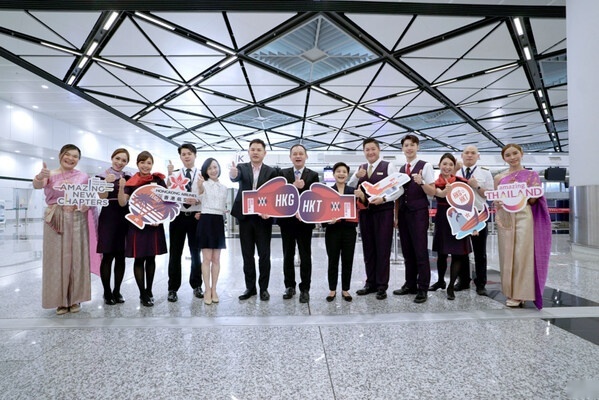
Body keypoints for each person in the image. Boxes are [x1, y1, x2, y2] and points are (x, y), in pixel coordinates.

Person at [33, 144, 92, 314]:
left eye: (75, 156)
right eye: (68, 155)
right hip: (55, 218)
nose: (71, 159)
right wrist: (39, 176)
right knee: (56, 259)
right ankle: (59, 300)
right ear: (60, 155)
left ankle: (75, 299)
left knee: (77, 258)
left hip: (77, 217)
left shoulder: (83, 176)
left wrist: (85, 204)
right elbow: (37, 185)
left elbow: (88, 196)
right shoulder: (49, 174)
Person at [494, 143, 551, 309]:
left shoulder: (531, 175)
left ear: (521, 153)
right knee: (506, 254)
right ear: (504, 158)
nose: (512, 158)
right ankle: (510, 292)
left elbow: (534, 200)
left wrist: (522, 194)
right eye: (508, 155)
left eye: (515, 153)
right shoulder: (499, 177)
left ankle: (521, 293)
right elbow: (497, 199)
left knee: (522, 254)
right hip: (505, 216)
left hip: (524, 215)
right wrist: (499, 202)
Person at [348, 138, 403, 300]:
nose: (370, 152)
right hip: (366, 213)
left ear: (378, 150)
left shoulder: (388, 166)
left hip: (383, 212)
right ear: (364, 151)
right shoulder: (361, 168)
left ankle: (381, 285)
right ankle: (370, 282)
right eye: (367, 149)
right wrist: (355, 177)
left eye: (373, 149)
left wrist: (385, 199)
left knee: (383, 249)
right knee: (369, 249)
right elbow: (351, 189)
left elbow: (398, 190)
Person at [230, 139, 279, 301]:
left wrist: (270, 211)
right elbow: (235, 178)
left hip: (263, 218)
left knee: (264, 254)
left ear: (265, 153)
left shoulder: (271, 171)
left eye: (259, 150)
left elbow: (274, 194)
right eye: (252, 149)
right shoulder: (241, 168)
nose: (255, 152)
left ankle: (264, 288)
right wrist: (233, 174)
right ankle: (250, 288)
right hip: (245, 218)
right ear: (249, 152)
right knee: (247, 254)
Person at [118, 151, 168, 307]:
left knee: (151, 258)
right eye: (142, 162)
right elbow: (122, 203)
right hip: (138, 225)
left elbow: (166, 201)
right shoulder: (131, 181)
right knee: (139, 258)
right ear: (137, 164)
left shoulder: (158, 180)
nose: (145, 166)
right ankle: (142, 293)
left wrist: (158, 217)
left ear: (152, 164)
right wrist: (121, 188)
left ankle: (149, 290)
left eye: (149, 163)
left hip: (154, 224)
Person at [393, 134, 436, 303]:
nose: (409, 148)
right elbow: (397, 195)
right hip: (403, 213)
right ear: (402, 149)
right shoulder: (401, 169)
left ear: (417, 147)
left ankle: (422, 287)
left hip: (418, 212)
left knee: (420, 250)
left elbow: (432, 192)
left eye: (412, 145)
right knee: (407, 250)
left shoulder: (425, 166)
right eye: (406, 145)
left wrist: (421, 182)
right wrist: (395, 216)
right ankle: (409, 284)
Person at [278, 144, 319, 303]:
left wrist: (305, 213)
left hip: (304, 223)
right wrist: (293, 186)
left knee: (305, 255)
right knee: (287, 255)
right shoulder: (282, 174)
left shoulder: (313, 175)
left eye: (301, 153)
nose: (298, 156)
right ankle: (290, 286)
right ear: (290, 157)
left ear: (306, 156)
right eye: (294, 153)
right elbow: (279, 195)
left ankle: (305, 288)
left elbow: (315, 197)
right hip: (287, 222)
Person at [429, 153, 472, 300]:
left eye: (450, 165)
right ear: (439, 165)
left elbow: (469, 204)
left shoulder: (461, 182)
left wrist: (472, 225)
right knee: (441, 253)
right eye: (444, 164)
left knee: (457, 253)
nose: (447, 167)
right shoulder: (434, 183)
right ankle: (440, 281)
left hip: (458, 220)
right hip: (442, 220)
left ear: (454, 167)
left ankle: (451, 285)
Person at [454, 145, 494, 296]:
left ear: (478, 156)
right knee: (461, 251)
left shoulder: (485, 172)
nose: (469, 155)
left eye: (473, 153)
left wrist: (477, 186)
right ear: (462, 156)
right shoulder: (455, 172)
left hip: (479, 216)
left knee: (480, 252)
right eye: (466, 153)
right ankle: (463, 280)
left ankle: (481, 283)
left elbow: (489, 195)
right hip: (461, 215)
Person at [166, 143, 203, 303]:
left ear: (195, 155)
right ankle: (172, 288)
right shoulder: (174, 176)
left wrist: (199, 202)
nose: (186, 156)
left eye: (189, 153)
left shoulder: (203, 175)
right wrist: (169, 182)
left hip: (196, 217)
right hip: (178, 217)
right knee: (175, 254)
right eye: (183, 154)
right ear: (180, 157)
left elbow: (209, 195)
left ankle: (197, 285)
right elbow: (167, 198)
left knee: (196, 254)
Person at [97, 148, 131, 305]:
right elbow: (102, 196)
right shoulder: (101, 176)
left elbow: (124, 201)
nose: (120, 162)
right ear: (112, 158)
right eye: (118, 158)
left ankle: (117, 290)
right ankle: (106, 292)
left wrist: (123, 187)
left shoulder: (129, 178)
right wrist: (106, 183)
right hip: (108, 218)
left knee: (120, 256)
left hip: (124, 217)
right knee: (107, 256)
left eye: (124, 160)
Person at [324, 162, 359, 302]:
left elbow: (364, 204)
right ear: (333, 174)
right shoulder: (327, 192)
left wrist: (361, 195)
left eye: (344, 171)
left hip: (349, 230)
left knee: (347, 260)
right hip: (332, 230)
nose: (341, 174)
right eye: (338, 171)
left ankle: (345, 289)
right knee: (333, 260)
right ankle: (332, 289)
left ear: (347, 174)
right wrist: (327, 221)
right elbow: (323, 212)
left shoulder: (353, 191)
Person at [196, 158, 228, 305]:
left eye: (215, 167)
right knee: (206, 259)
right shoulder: (203, 184)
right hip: (206, 221)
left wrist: (225, 211)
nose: (213, 170)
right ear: (206, 171)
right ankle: (207, 289)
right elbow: (199, 194)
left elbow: (222, 206)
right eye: (209, 168)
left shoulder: (224, 187)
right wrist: (200, 185)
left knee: (216, 259)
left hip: (218, 222)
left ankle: (214, 288)